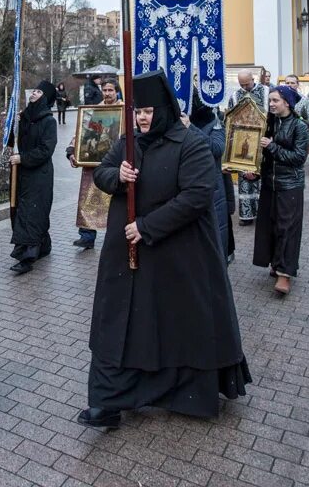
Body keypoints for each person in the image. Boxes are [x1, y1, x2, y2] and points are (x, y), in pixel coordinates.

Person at [78, 70, 250, 429]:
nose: (141, 117)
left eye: (148, 111)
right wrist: (118, 177)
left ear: (166, 110)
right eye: (138, 111)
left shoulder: (191, 144)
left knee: (171, 325)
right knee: (119, 322)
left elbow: (197, 196)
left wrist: (147, 226)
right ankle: (108, 400)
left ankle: (178, 393)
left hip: (176, 254)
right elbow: (101, 174)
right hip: (126, 255)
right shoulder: (128, 143)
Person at [253, 85, 309, 296]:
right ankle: (275, 263)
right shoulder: (269, 124)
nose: (271, 104)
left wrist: (272, 147)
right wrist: (255, 170)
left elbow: (298, 159)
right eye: (270, 101)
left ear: (287, 102)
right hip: (270, 184)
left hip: (290, 185)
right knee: (271, 225)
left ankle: (285, 274)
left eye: (275, 100)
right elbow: (262, 155)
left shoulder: (299, 126)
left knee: (287, 228)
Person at [9, 80, 58, 274]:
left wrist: (23, 158)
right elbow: (15, 142)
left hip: (39, 175)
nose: (34, 93)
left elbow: (46, 150)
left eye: (38, 92)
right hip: (23, 173)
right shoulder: (24, 118)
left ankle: (26, 257)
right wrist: (14, 126)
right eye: (34, 90)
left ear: (45, 97)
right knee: (26, 212)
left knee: (32, 214)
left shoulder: (48, 121)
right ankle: (43, 246)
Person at [67, 78, 120, 250]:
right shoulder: (95, 110)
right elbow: (83, 133)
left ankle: (117, 237)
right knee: (88, 199)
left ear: (117, 91)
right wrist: (72, 151)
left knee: (116, 202)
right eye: (105, 90)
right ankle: (87, 237)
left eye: (110, 90)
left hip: (116, 165)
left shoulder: (125, 110)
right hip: (94, 163)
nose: (107, 93)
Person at [183, 89, 229, 262]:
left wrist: (191, 127)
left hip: (211, 187)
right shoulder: (177, 122)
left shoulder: (214, 121)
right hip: (187, 187)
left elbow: (216, 149)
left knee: (213, 239)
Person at [227, 69, 267, 226]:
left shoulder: (266, 92)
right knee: (245, 178)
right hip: (242, 140)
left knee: (261, 177)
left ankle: (263, 214)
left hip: (262, 140)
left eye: (247, 83)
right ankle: (246, 214)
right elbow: (229, 119)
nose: (244, 87)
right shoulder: (235, 96)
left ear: (253, 79)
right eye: (241, 84)